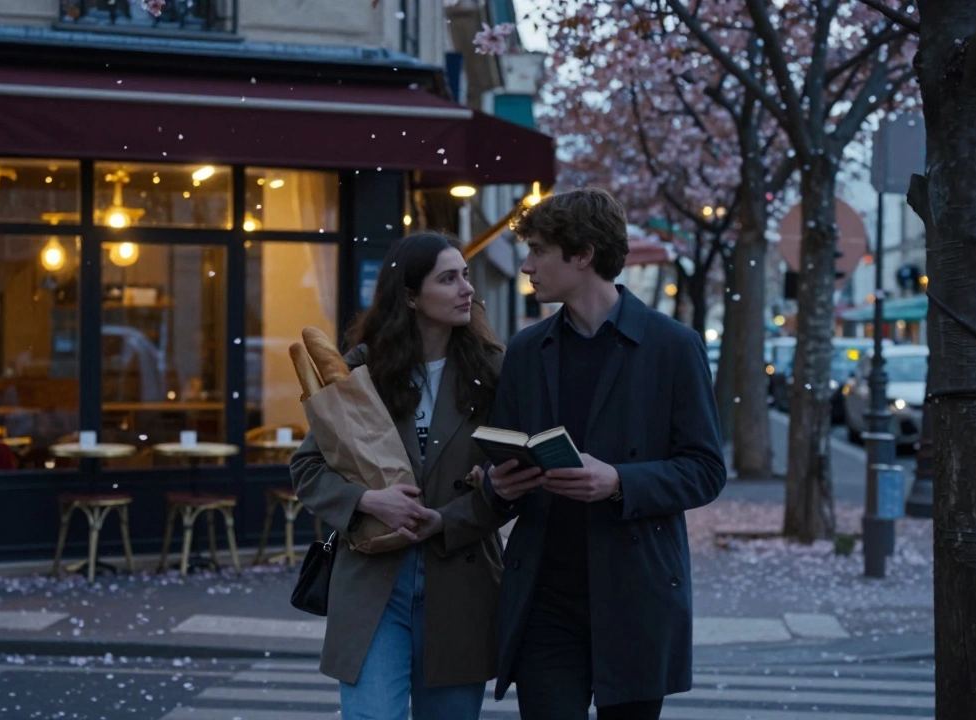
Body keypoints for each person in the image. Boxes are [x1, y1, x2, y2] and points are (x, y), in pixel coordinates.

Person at [482, 188, 727, 720]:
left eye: (539, 251)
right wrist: (495, 486)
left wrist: (618, 481)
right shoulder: (526, 349)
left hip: (636, 591)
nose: (526, 266)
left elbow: (706, 471)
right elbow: (497, 462)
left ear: (583, 254)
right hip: (545, 593)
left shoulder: (672, 346)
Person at [290, 232, 509, 720]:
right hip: (373, 582)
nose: (466, 289)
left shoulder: (493, 371)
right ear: (410, 295)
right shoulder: (362, 371)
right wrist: (368, 502)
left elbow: (515, 476)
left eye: (466, 276)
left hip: (460, 576)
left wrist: (451, 518)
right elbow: (307, 467)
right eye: (448, 279)